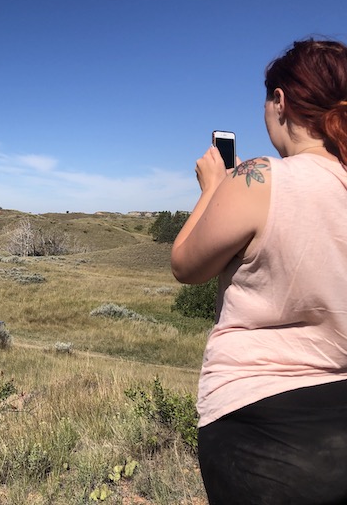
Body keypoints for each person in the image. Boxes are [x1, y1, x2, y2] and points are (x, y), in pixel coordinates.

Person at [170, 38, 347, 504]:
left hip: (257, 426)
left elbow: (185, 264)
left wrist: (213, 188)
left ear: (280, 101)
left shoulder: (259, 177)